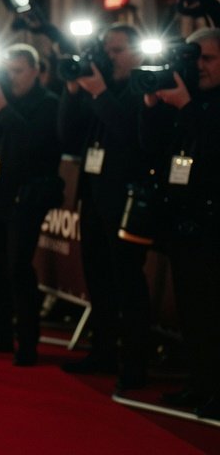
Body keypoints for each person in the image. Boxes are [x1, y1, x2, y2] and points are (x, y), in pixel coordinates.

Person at [56, 25, 151, 390]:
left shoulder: (140, 89)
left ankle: (134, 363)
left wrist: (98, 94)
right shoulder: (102, 91)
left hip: (126, 201)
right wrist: (72, 90)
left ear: (138, 52)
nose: (109, 57)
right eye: (106, 50)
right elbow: (67, 134)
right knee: (98, 280)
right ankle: (103, 351)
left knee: (128, 282)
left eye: (117, 50)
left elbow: (133, 132)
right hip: (94, 198)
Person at [0, 44, 62, 366]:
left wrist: (2, 107)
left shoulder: (47, 104)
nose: (12, 78)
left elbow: (34, 145)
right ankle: (0, 332)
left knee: (18, 268)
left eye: (18, 71)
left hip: (26, 196)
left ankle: (28, 341)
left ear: (36, 71)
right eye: (9, 71)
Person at [139, 28, 220, 419]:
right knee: (193, 312)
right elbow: (152, 149)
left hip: (214, 226)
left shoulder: (204, 106)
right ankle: (199, 383)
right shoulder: (189, 101)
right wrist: (153, 106)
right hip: (185, 224)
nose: (199, 67)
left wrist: (187, 105)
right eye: (194, 59)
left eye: (208, 59)